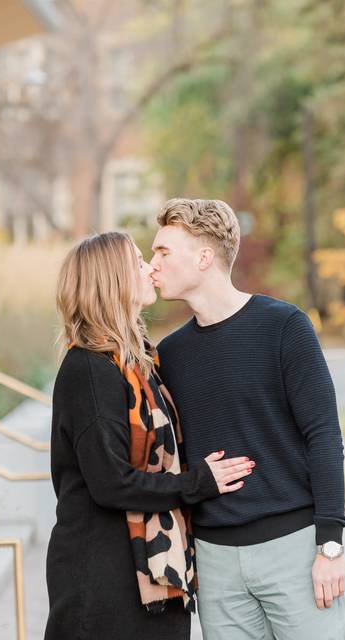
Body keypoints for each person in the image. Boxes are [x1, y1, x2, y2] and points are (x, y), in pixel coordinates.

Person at [150, 198, 345, 639]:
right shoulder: (171, 355)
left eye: (163, 252)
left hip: (293, 551)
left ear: (203, 257)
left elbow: (324, 436)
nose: (152, 264)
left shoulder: (285, 327)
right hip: (216, 562)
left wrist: (330, 545)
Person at [44, 231, 255, 640]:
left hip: (151, 570)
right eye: (138, 261)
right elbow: (111, 484)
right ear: (113, 280)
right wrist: (199, 483)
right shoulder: (88, 370)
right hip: (105, 579)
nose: (150, 268)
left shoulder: (139, 363)